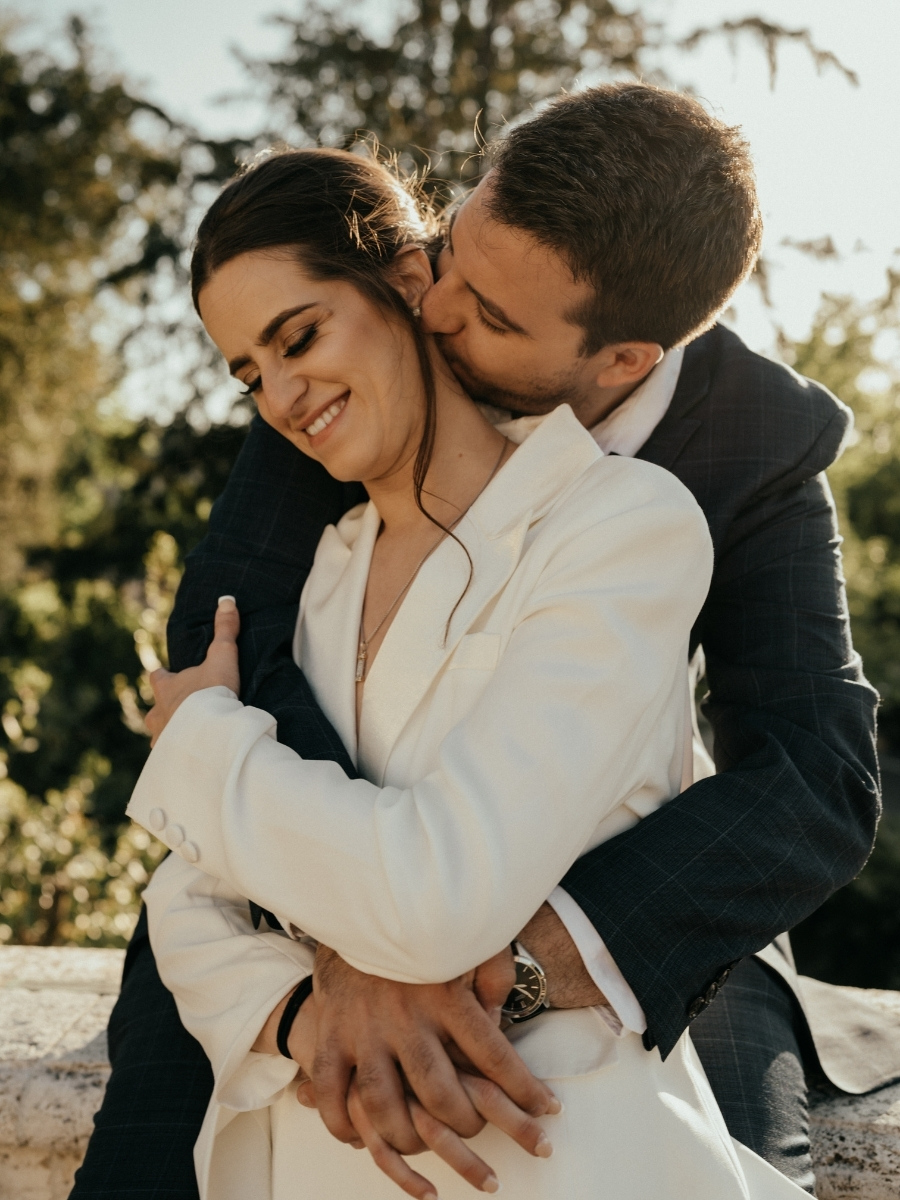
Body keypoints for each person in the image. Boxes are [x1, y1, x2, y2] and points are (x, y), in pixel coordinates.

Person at [70, 84, 879, 1200]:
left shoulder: (753, 451)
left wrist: (517, 966)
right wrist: (355, 940)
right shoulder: (367, 345)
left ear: (623, 361)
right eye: (450, 254)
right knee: (144, 1155)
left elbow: (815, 782)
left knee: (727, 1151)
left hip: (637, 896)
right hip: (325, 868)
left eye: (492, 317)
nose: (437, 307)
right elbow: (224, 632)